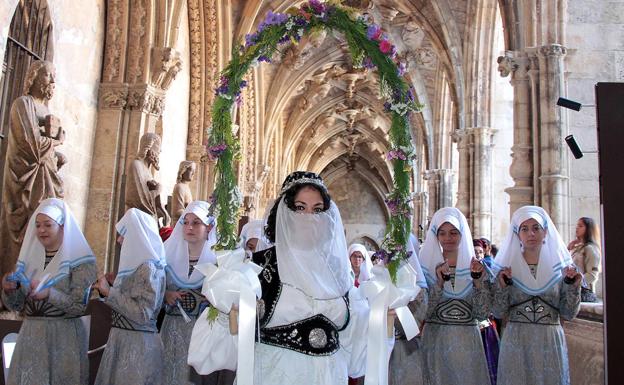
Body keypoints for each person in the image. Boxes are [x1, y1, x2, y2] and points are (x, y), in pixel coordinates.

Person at [190, 171, 370, 384]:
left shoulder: (338, 272)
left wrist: (377, 318)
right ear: (284, 213)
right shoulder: (257, 267)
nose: (309, 217)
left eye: (317, 209)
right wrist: (226, 309)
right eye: (300, 208)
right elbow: (216, 351)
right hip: (275, 372)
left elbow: (355, 352)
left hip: (330, 375)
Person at [1, 198, 96, 385]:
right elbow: (17, 305)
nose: (41, 230)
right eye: (37, 225)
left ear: (62, 226)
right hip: (30, 335)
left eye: (47, 225)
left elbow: (78, 307)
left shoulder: (81, 262)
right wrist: (9, 290)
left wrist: (50, 294)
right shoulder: (28, 259)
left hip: (63, 338)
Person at [492, 206, 581, 385]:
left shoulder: (561, 269)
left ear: (545, 231)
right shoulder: (506, 269)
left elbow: (568, 313)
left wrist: (573, 287)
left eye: (536, 228)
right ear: (517, 234)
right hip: (517, 339)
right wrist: (502, 286)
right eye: (524, 229)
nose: (531, 234)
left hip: (549, 340)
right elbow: (499, 312)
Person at [0, 60, 66, 273]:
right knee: (25, 231)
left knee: (44, 233)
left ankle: (34, 284)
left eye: (54, 76)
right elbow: (31, 146)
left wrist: (57, 157)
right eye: (48, 75)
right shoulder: (23, 104)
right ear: (34, 77)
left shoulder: (46, 110)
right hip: (24, 182)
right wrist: (56, 141)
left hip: (44, 181)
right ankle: (11, 289)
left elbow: (44, 153)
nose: (53, 81)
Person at [161, 200, 235, 385]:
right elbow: (152, 289)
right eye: (185, 222)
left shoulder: (219, 261)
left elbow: (229, 300)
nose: (189, 227)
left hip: (202, 333)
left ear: (209, 227)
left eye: (196, 222)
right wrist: (165, 295)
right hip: (171, 329)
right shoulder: (167, 255)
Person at [93, 208, 167, 385]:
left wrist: (109, 292)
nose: (119, 240)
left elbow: (142, 314)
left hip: (138, 346)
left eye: (123, 234)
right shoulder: (138, 267)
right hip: (121, 341)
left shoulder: (149, 268)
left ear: (138, 235)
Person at [419, 207, 492, 385]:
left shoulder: (476, 267)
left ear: (462, 233)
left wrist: (477, 283)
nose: (448, 238)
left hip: (468, 344)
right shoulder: (425, 269)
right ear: (435, 235)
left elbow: (482, 313)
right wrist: (438, 283)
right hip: (436, 343)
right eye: (442, 233)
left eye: (453, 232)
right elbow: (424, 313)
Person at [388, 233, 429, 385]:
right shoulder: (378, 285)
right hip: (381, 351)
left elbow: (412, 328)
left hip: (407, 353)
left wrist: (393, 313)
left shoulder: (419, 289)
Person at [125, 132, 171, 227]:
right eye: (158, 146)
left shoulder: (147, 171)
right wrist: (157, 190)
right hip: (138, 220)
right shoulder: (136, 165)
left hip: (147, 220)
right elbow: (139, 199)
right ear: (149, 147)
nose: (160, 151)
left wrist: (161, 209)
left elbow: (151, 201)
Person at [567, 217, 601, 302]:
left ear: (588, 229)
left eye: (580, 226)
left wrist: (576, 283)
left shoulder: (591, 248)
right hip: (572, 290)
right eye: (577, 225)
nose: (577, 228)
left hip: (583, 292)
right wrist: (568, 249)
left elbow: (593, 275)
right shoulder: (577, 248)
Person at [172, 161, 197, 225]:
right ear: (184, 170)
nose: (193, 173)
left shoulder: (186, 187)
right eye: (191, 170)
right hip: (179, 224)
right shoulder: (179, 187)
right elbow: (177, 211)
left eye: (194, 171)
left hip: (187, 222)